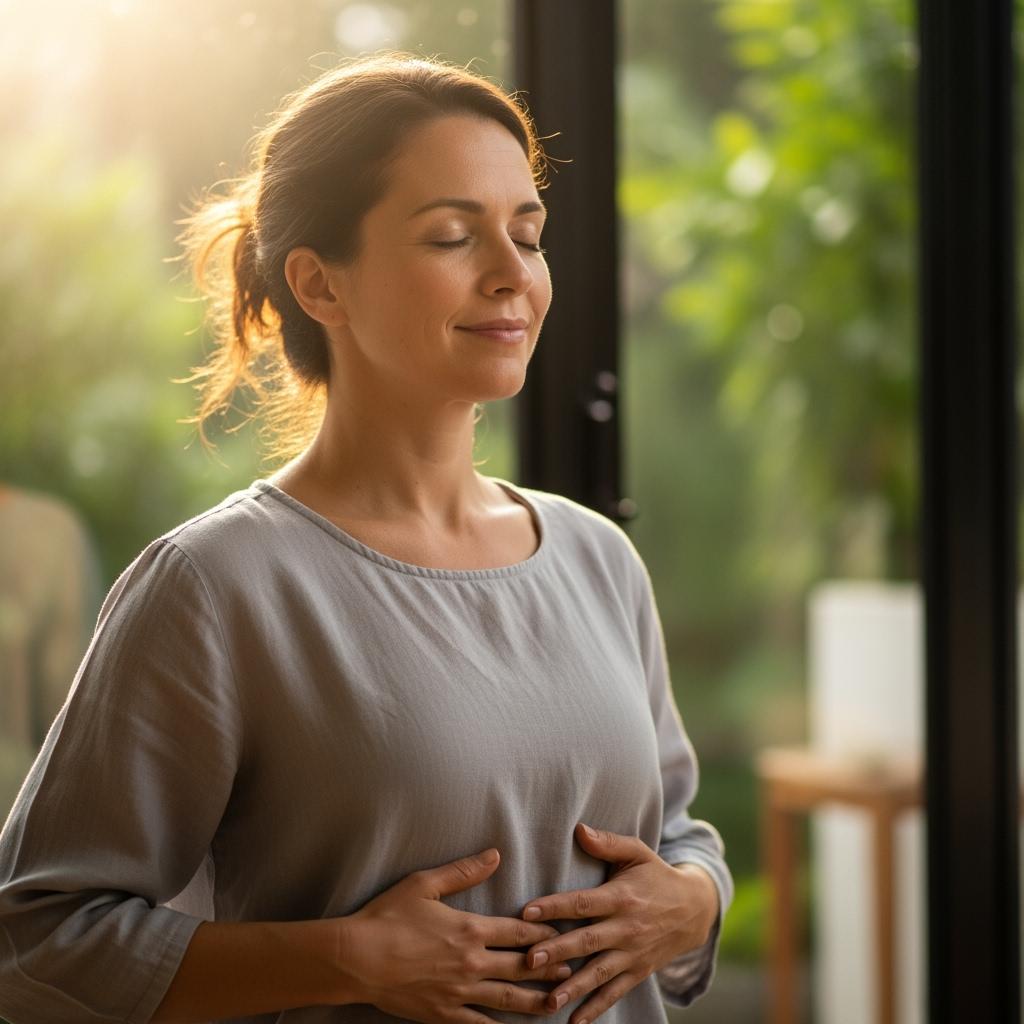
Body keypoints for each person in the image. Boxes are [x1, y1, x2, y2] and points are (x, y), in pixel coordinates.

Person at [0, 51, 733, 1024]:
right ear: (319, 284)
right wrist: (349, 958)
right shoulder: (216, 586)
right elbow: (39, 940)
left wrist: (693, 899)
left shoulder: (596, 556)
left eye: (528, 232)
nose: (513, 274)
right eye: (450, 236)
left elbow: (678, 832)